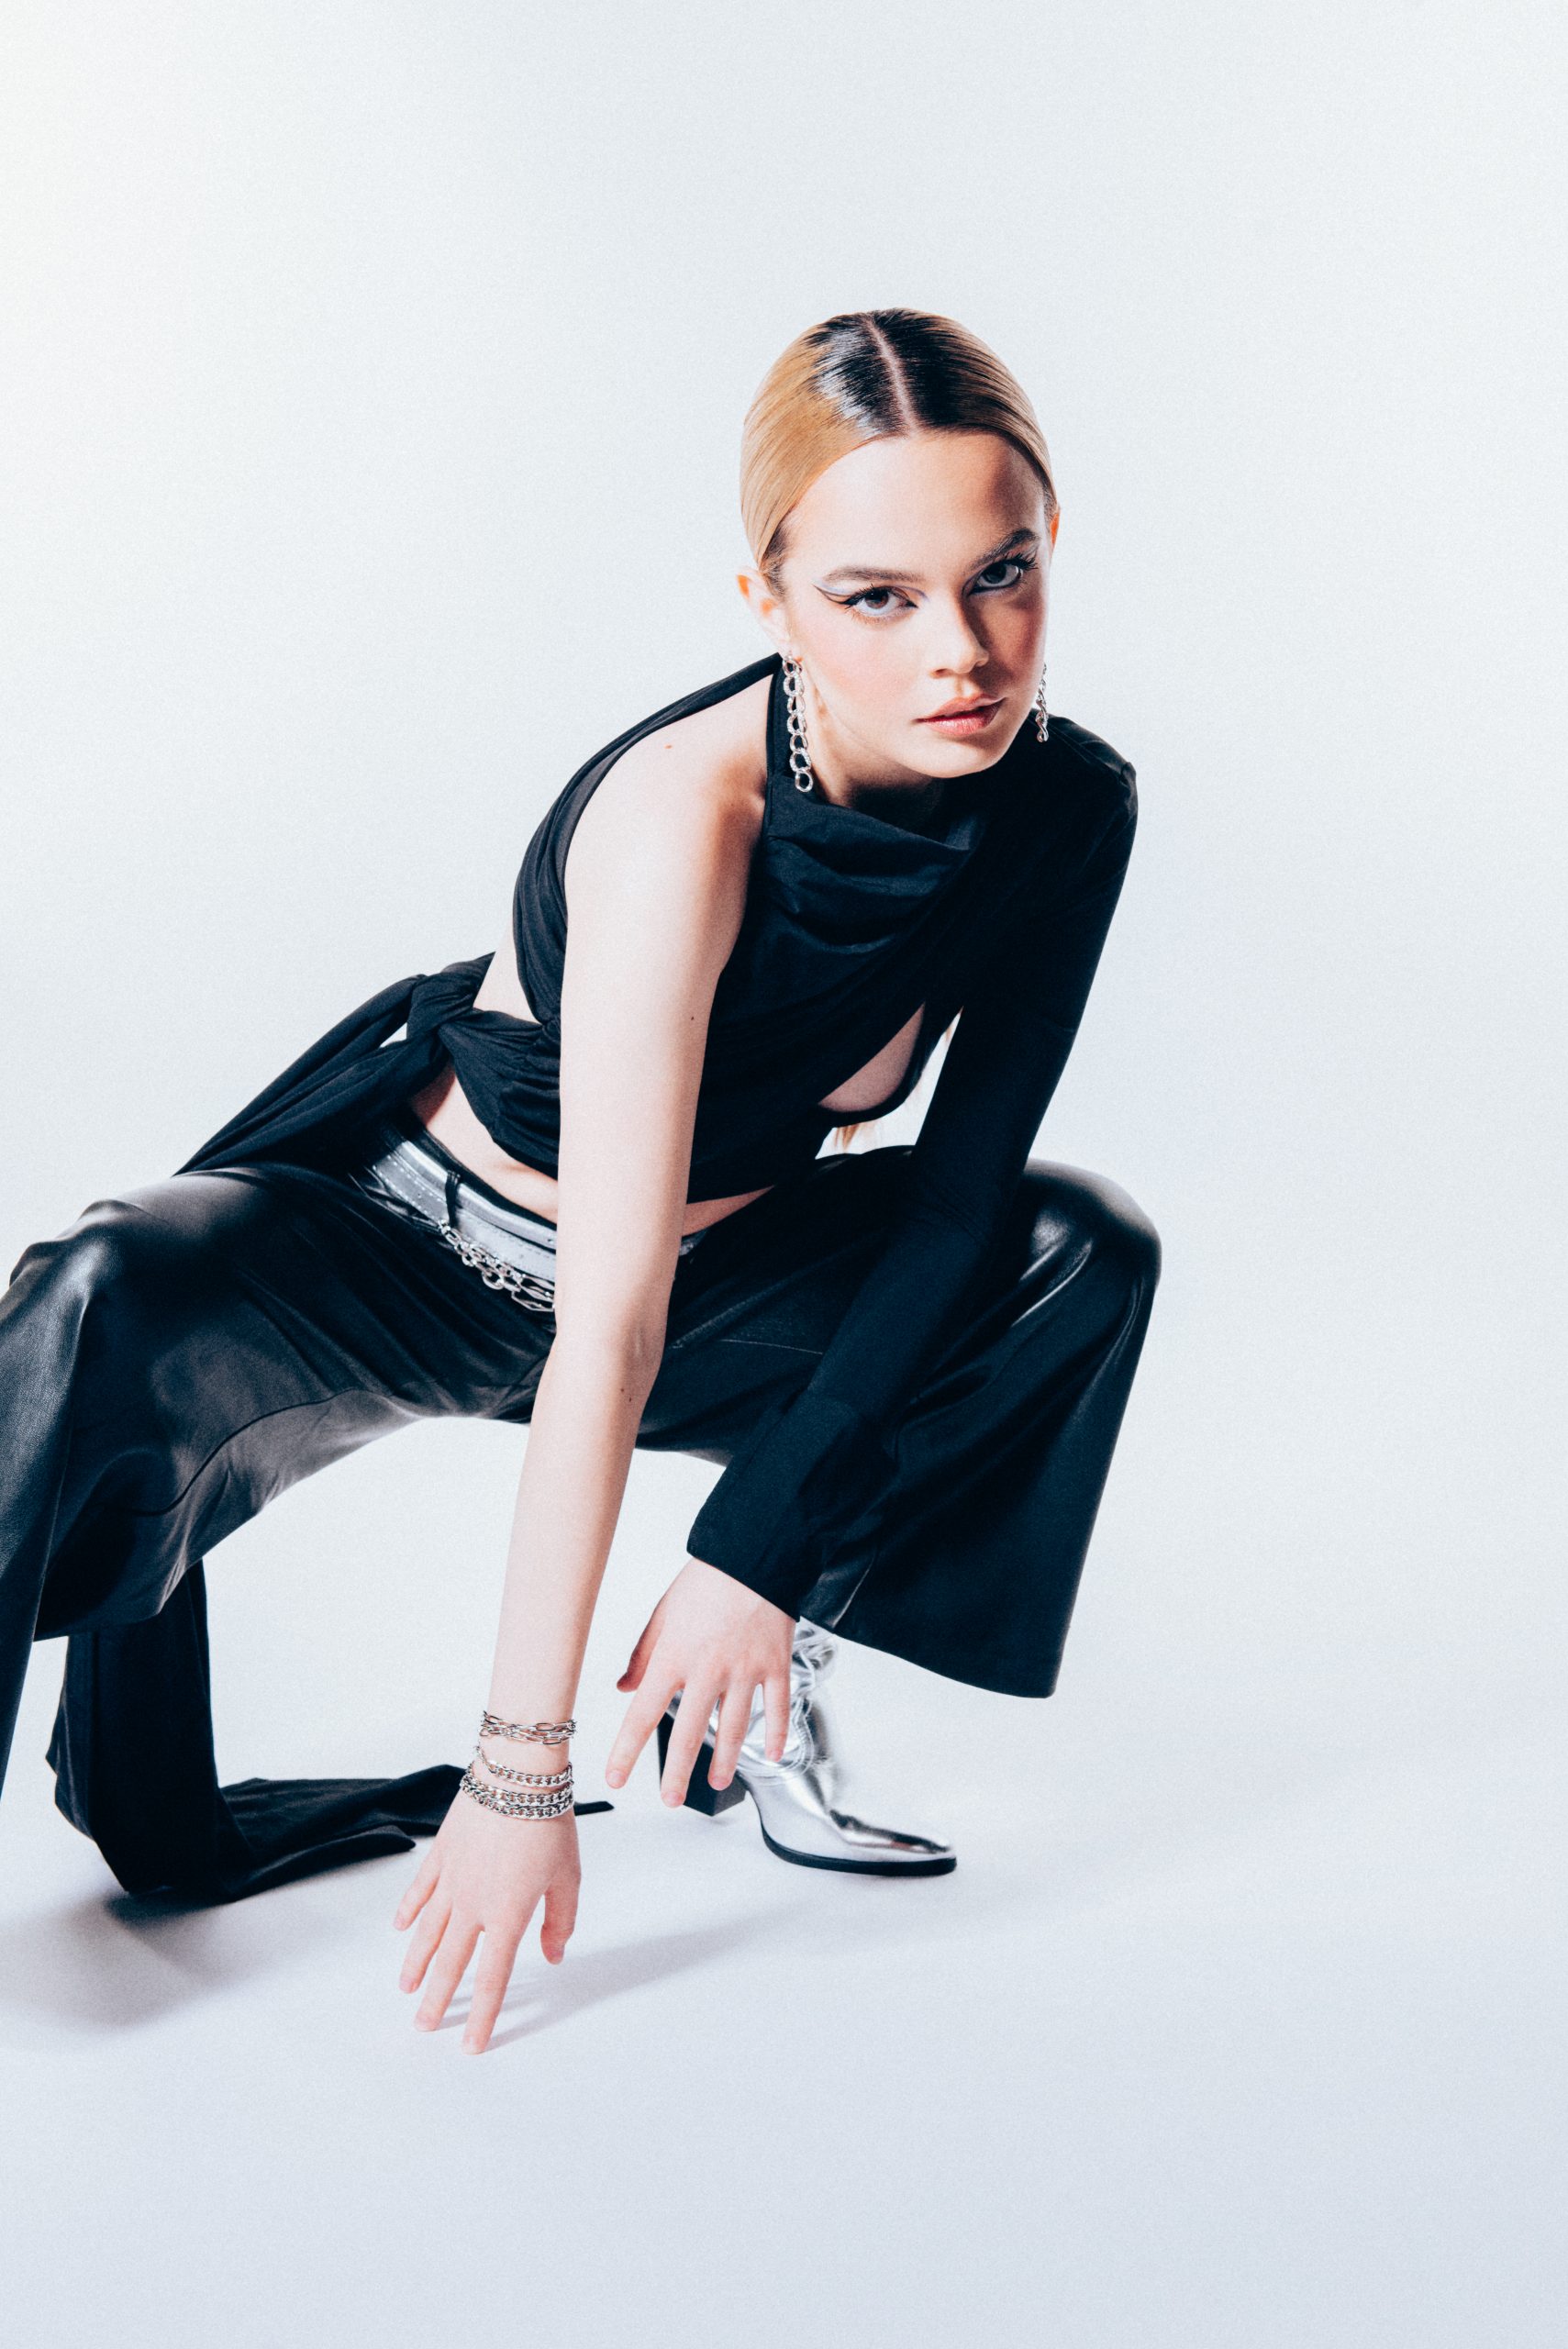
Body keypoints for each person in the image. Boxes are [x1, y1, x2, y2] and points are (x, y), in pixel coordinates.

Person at [0, 307, 1161, 2054]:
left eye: (1000, 574)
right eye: (876, 597)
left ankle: (748, 1698)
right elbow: (599, 1328)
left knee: (1073, 1250)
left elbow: (950, 1204)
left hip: (713, 1291)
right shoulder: (685, 814)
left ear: (1049, 544)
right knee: (96, 1296)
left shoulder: (1065, 807)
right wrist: (516, 1777)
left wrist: (752, 1554)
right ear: (768, 599)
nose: (961, 652)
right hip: (397, 1258)